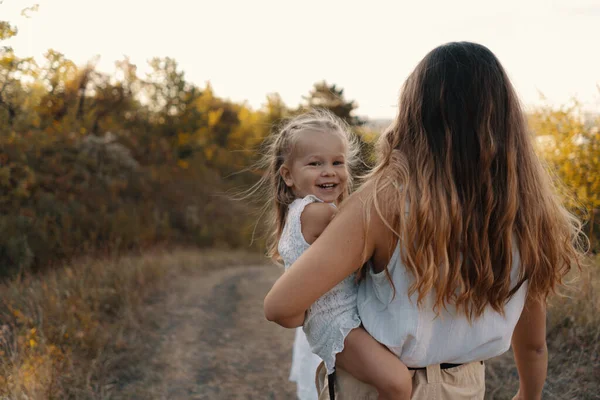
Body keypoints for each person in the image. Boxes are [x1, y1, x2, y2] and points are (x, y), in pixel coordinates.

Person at [264, 42, 585, 400]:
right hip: (465, 387)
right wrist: (528, 393)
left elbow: (281, 306)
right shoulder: (526, 208)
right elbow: (534, 345)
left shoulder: (381, 203)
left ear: (415, 113)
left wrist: (327, 316)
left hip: (377, 387)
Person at [255, 109, 411, 400]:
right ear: (287, 175)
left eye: (337, 162)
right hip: (335, 321)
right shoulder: (319, 213)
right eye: (315, 163)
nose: (329, 171)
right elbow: (367, 227)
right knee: (398, 382)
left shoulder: (299, 211)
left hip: (337, 317)